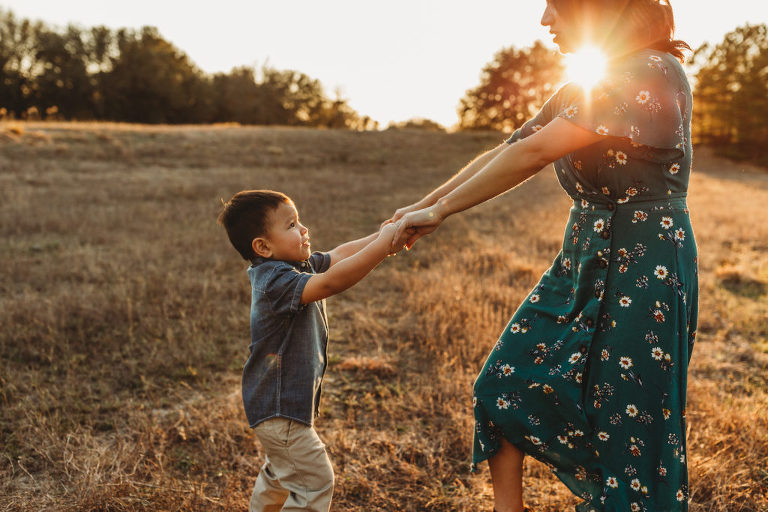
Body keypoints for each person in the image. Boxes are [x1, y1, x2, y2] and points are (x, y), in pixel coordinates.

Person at [387, 0, 696, 510]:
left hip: (646, 263)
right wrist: (423, 205)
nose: (544, 20)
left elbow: (534, 154)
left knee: (629, 422)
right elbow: (511, 148)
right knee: (500, 385)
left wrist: (440, 211)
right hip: (582, 259)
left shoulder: (652, 71)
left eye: (555, 5)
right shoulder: (583, 88)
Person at [217, 190, 399, 512]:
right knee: (314, 480)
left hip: (278, 407)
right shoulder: (274, 281)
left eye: (299, 221)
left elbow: (339, 255)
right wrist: (383, 245)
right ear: (263, 247)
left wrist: (384, 235)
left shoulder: (296, 265)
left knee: (281, 475)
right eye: (291, 225)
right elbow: (331, 282)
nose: (304, 230)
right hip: (279, 408)